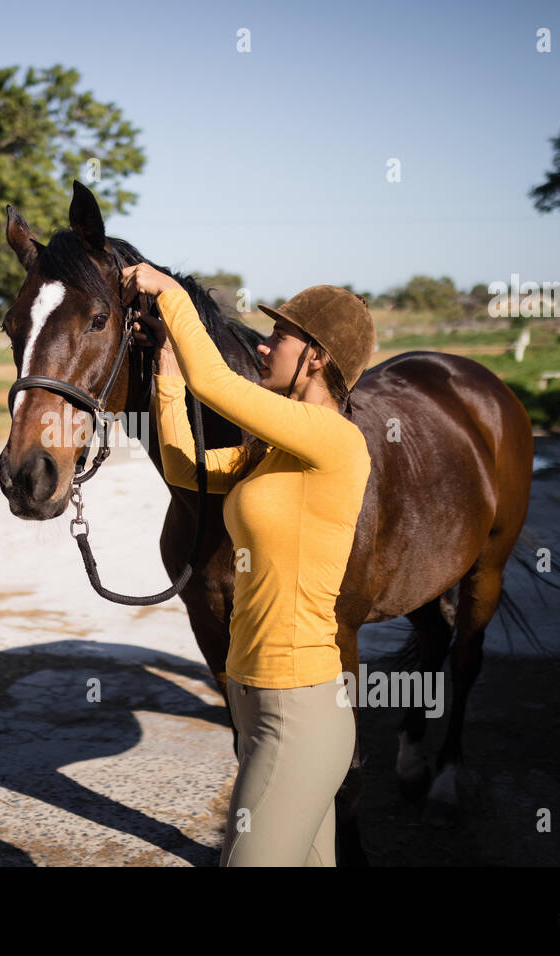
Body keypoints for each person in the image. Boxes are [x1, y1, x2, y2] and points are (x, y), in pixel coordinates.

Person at [120, 263, 375, 867]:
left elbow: (219, 383)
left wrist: (173, 295)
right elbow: (187, 470)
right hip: (255, 700)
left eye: (281, 335)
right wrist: (167, 376)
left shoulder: (334, 440)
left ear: (316, 357)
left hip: (299, 711)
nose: (263, 343)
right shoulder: (273, 448)